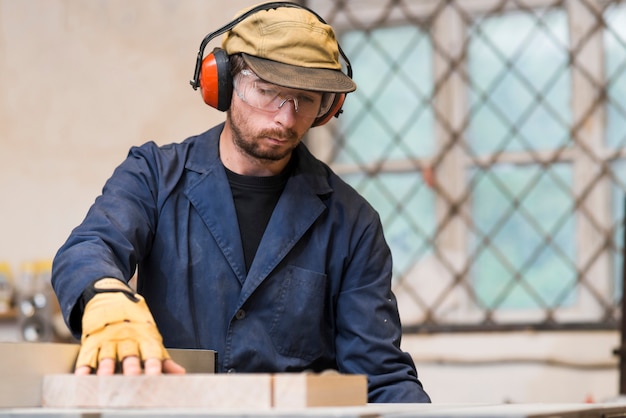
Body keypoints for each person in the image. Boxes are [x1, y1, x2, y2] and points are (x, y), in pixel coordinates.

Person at [51, 1, 431, 403]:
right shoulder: (154, 177)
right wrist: (106, 296)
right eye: (267, 91)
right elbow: (89, 248)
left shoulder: (352, 223)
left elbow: (380, 378)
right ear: (224, 83)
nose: (286, 119)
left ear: (328, 108)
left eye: (306, 99)